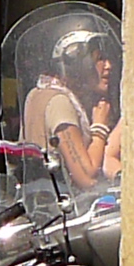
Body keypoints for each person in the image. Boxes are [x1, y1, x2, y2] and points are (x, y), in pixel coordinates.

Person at [14, 17, 121, 187]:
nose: (108, 66)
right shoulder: (59, 102)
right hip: (63, 200)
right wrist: (100, 126)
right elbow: (87, 176)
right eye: (99, 59)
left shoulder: (39, 91)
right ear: (77, 62)